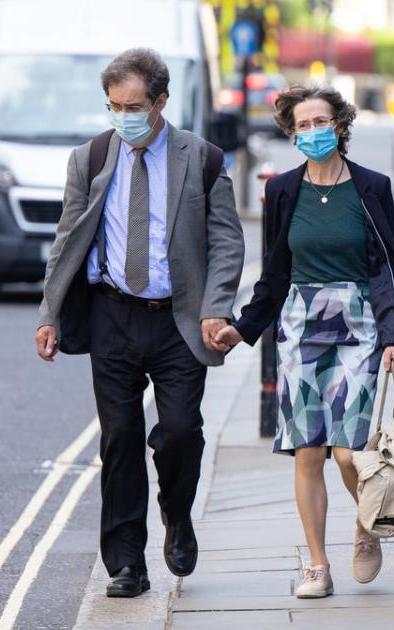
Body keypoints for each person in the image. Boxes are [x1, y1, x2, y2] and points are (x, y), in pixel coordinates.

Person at [34, 48, 245, 598]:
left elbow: (226, 241)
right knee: (120, 438)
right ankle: (126, 562)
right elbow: (66, 238)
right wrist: (50, 312)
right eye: (113, 105)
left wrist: (216, 307)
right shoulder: (91, 157)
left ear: (160, 102)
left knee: (179, 433)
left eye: (133, 105)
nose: (123, 115)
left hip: (178, 320)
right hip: (112, 315)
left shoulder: (202, 158)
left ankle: (177, 516)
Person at [213, 85, 394, 598]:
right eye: (302, 125)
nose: (312, 132)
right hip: (300, 326)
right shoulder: (282, 189)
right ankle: (316, 565)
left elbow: (389, 269)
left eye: (320, 122)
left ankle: (365, 526)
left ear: (341, 125)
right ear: (291, 131)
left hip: (359, 326)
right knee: (308, 452)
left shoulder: (372, 186)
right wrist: (241, 328)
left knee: (352, 454)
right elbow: (274, 274)